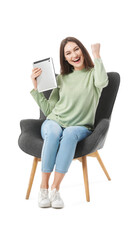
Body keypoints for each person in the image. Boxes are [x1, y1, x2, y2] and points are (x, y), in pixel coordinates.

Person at [30, 37, 109, 209]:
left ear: (82, 50)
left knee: (69, 134)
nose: (74, 54)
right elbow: (49, 110)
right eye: (68, 53)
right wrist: (36, 88)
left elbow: (103, 82)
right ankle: (43, 187)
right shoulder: (62, 79)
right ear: (64, 58)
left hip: (80, 127)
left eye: (76, 49)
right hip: (54, 121)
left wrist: (96, 54)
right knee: (54, 132)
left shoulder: (93, 74)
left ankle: (55, 189)